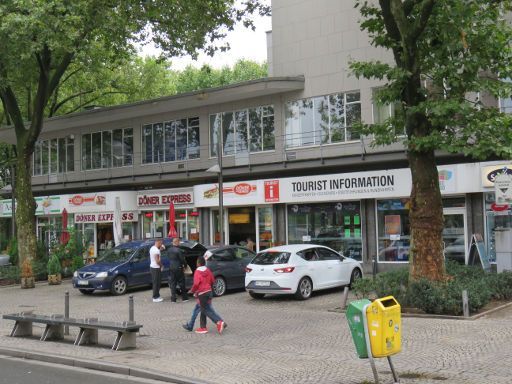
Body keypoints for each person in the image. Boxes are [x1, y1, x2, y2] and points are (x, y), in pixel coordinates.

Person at [188, 255, 225, 334]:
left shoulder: (197, 271)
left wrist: (192, 290)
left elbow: (196, 283)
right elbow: (213, 280)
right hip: (209, 292)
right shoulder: (208, 270)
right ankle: (203, 327)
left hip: (202, 293)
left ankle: (219, 322)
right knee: (205, 309)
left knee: (205, 310)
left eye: (196, 262)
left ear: (198, 263)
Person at [168, 237, 189, 303]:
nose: (179, 243)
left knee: (173, 283)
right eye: (179, 242)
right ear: (176, 242)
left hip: (171, 267)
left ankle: (173, 299)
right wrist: (185, 266)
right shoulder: (179, 250)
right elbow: (182, 260)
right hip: (178, 268)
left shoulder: (169, 250)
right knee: (182, 282)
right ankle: (184, 298)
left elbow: (169, 257)